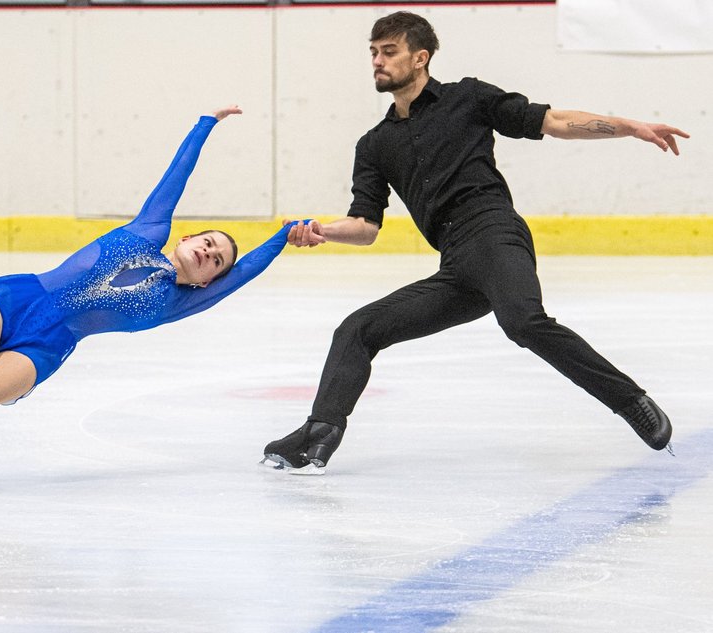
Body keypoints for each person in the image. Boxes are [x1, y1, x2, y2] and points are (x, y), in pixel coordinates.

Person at [261, 11, 687, 475]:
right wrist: (321, 230)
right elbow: (365, 226)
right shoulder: (375, 144)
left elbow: (553, 120)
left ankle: (631, 401)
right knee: (358, 329)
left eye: (389, 52)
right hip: (457, 266)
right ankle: (320, 431)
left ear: (420, 58)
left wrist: (625, 126)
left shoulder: (467, 98)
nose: (377, 62)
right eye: (373, 53)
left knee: (523, 322)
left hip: (494, 232)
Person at [0, 106, 298, 497]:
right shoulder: (148, 230)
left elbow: (247, 270)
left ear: (208, 281)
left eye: (216, 261)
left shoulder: (180, 302)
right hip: (18, 297)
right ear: (187, 235)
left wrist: (283, 235)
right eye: (208, 242)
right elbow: (176, 175)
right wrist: (205, 123)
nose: (209, 253)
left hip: (48, 344)